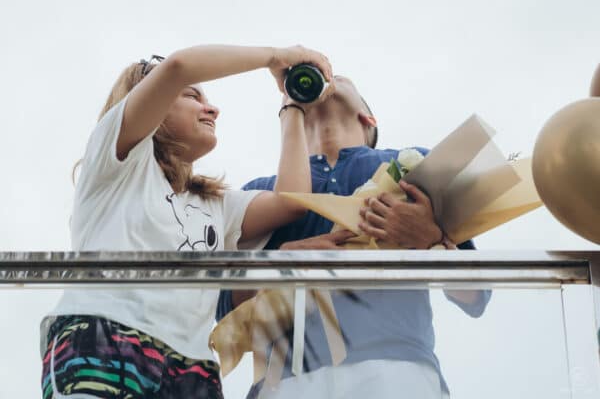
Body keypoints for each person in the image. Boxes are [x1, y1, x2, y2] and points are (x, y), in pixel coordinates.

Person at [40, 45, 333, 399]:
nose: (212, 108)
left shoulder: (214, 205)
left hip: (191, 366)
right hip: (106, 333)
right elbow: (179, 66)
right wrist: (275, 57)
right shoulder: (116, 160)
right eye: (193, 96)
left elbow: (291, 201)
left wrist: (292, 107)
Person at [217, 75, 491, 399]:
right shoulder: (261, 193)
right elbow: (224, 308)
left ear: (368, 118)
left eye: (338, 77)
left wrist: (430, 240)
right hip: (285, 381)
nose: (327, 78)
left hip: (397, 371)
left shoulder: (418, 163)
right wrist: (279, 263)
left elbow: (476, 297)